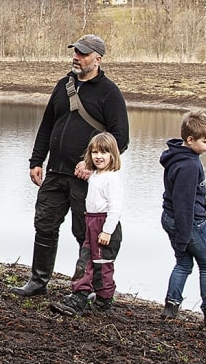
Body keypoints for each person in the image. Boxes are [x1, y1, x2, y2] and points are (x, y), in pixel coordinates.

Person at [12, 34, 129, 297]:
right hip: (54, 172)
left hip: (85, 180)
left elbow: (120, 139)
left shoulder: (110, 93)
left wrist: (90, 166)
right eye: (75, 52)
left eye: (83, 53)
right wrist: (36, 161)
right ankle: (38, 281)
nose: (76, 57)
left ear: (97, 59)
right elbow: (47, 125)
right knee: (44, 225)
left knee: (84, 234)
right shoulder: (63, 85)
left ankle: (83, 288)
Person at [159, 110, 206, 328]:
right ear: (190, 139)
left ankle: (171, 307)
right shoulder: (190, 165)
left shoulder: (176, 155)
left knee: (183, 263)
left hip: (171, 217)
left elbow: (189, 195)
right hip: (188, 223)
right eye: (205, 141)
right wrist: (184, 236)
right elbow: (184, 203)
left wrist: (204, 206)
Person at [50, 132, 124, 316]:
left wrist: (107, 231)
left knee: (102, 265)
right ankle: (80, 293)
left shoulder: (112, 179)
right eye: (95, 152)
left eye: (104, 152)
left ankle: (103, 300)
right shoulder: (96, 175)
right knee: (85, 260)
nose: (98, 156)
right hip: (91, 221)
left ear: (113, 155)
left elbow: (115, 209)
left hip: (104, 225)